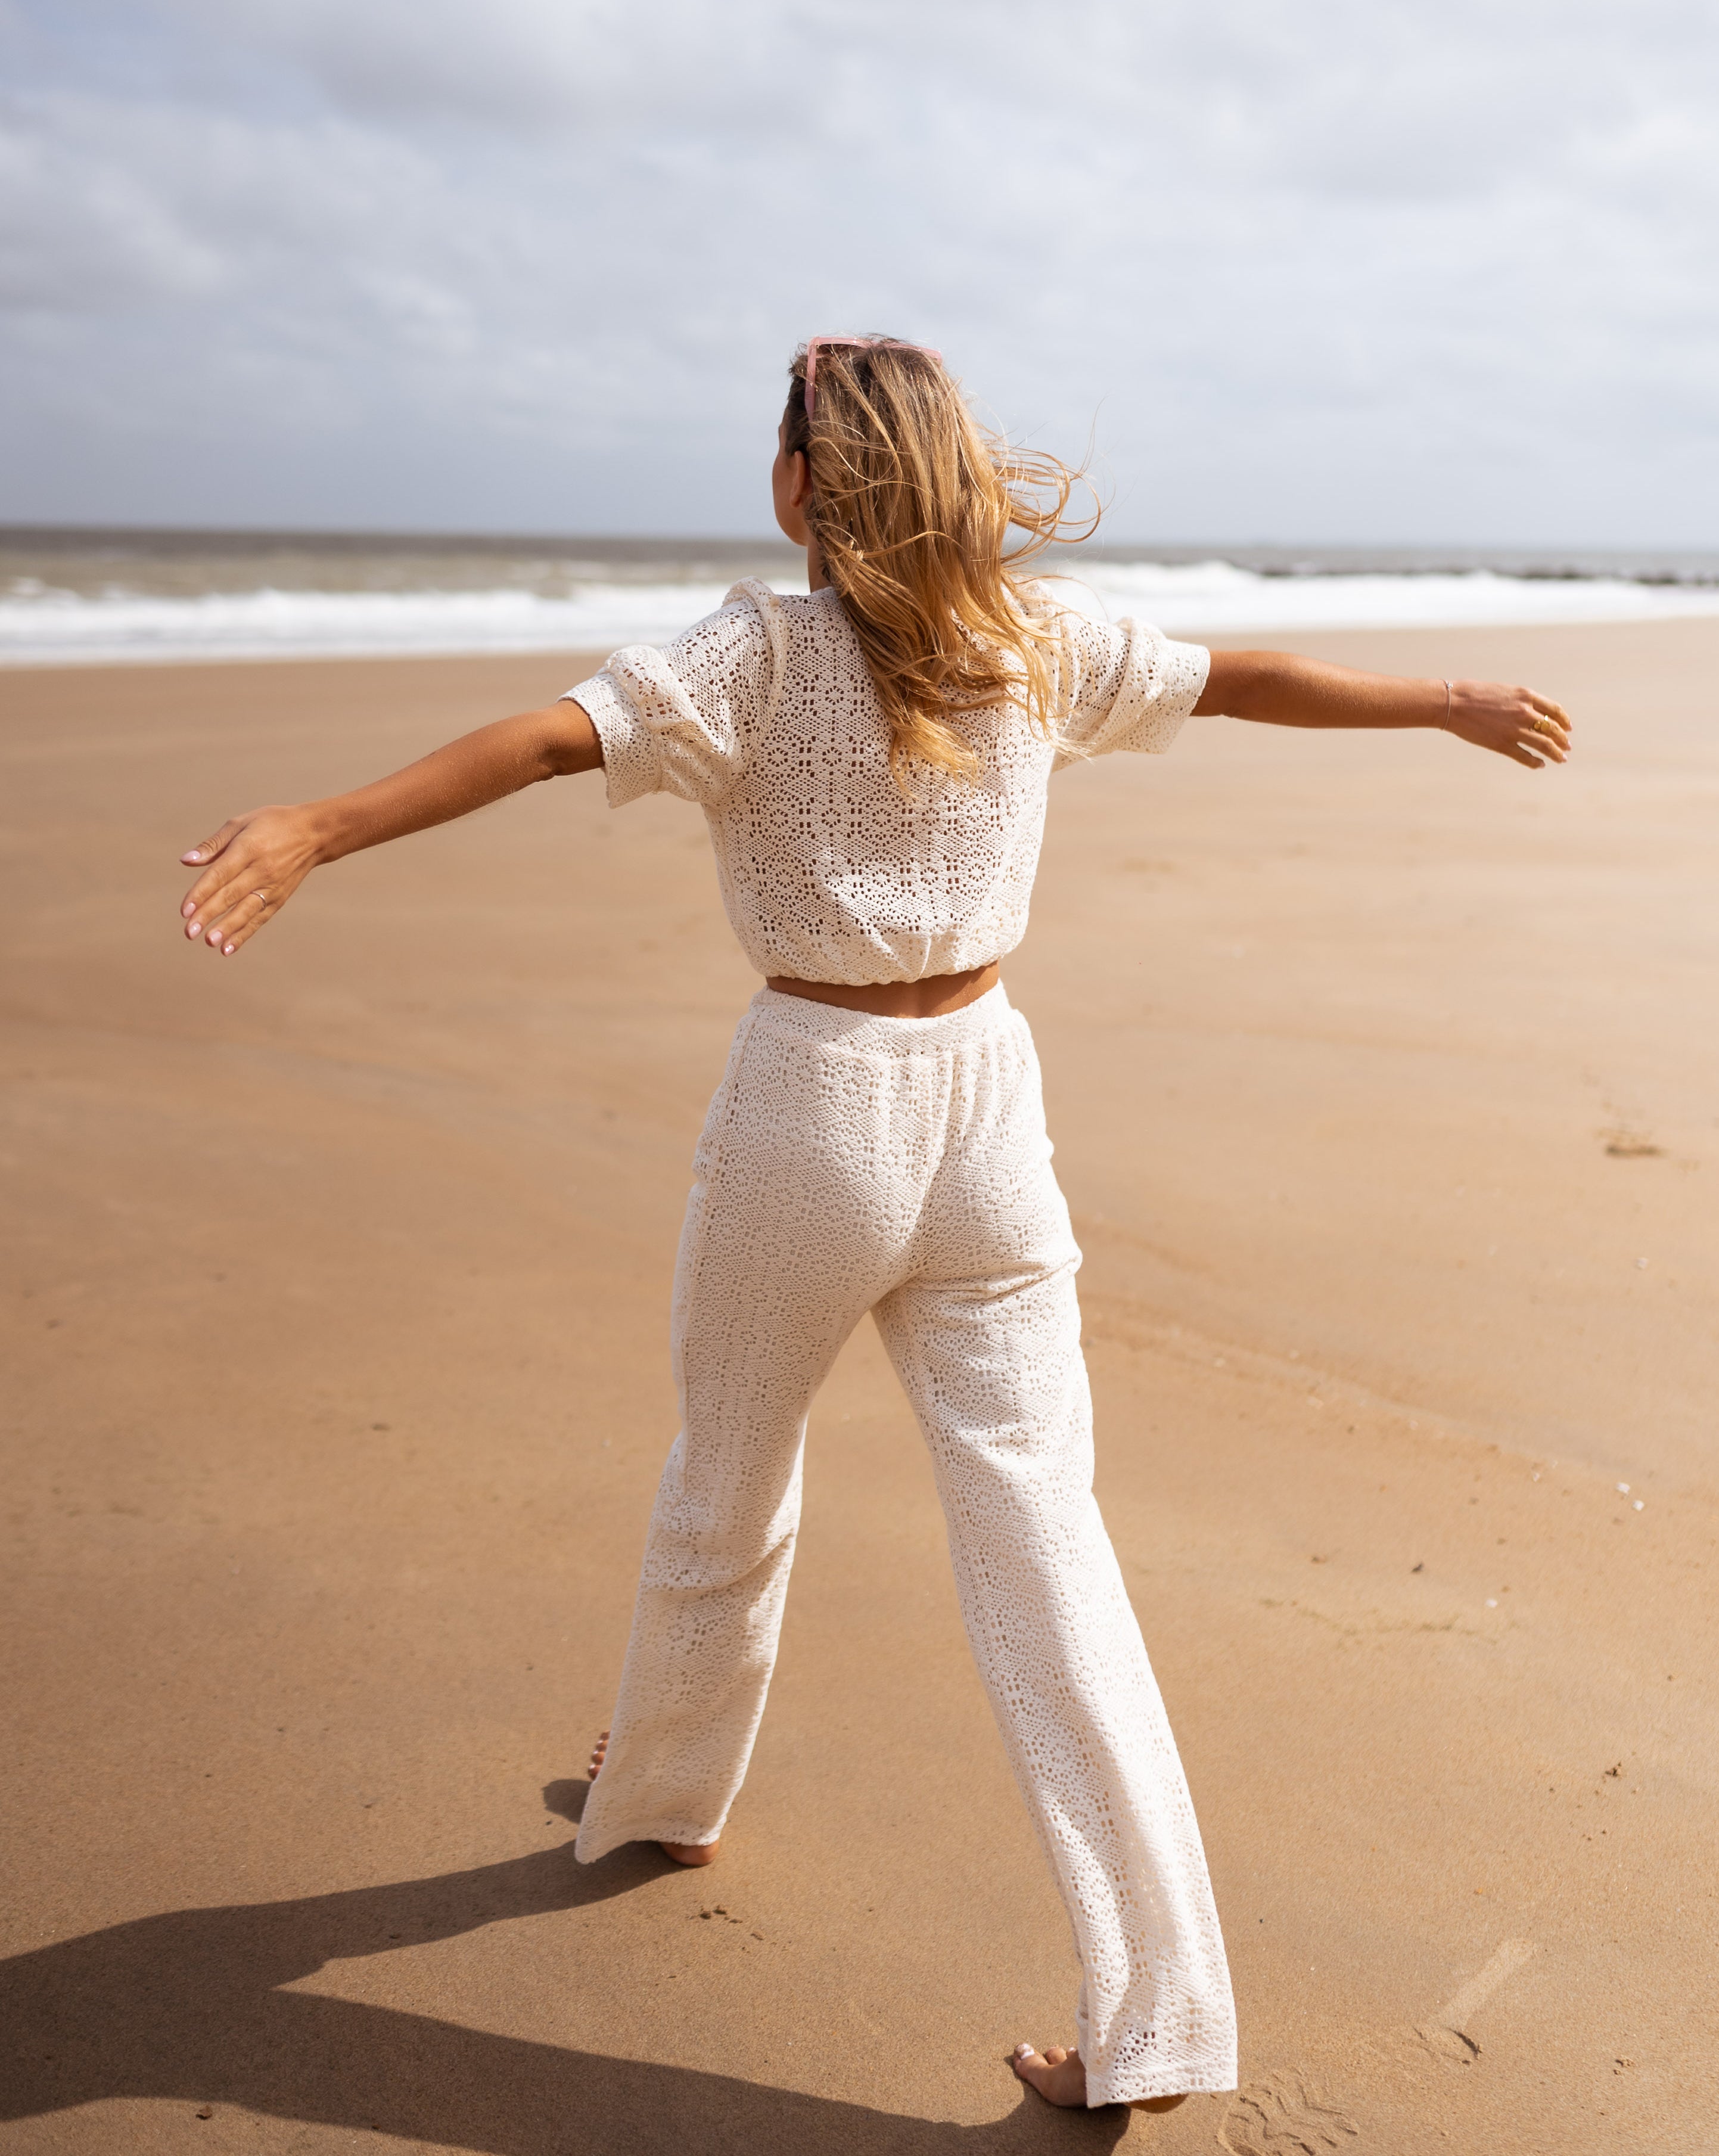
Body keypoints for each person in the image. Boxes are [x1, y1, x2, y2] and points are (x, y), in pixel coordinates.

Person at [176, 338, 1572, 2111]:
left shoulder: (758, 649)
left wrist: (318, 824)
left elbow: (543, 741)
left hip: (813, 1107)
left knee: (729, 1474)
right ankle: (1160, 2017)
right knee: (1049, 1548)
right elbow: (1247, 680)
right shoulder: (1031, 640)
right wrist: (1448, 698)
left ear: (800, 487)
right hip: (989, 1109)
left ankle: (669, 1800)